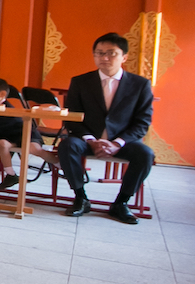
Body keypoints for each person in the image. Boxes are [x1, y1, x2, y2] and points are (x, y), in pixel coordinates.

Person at [59, 33, 155, 224]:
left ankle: (121, 203)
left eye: (111, 53)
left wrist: (117, 143)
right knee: (67, 145)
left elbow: (143, 121)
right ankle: (81, 197)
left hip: (123, 141)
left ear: (124, 57)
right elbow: (71, 118)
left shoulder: (140, 84)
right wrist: (91, 140)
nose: (104, 58)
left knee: (146, 154)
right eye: (99, 53)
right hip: (87, 139)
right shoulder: (80, 81)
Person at [0, 78, 53, 191]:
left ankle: (57, 162)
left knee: (34, 148)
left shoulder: (8, 109)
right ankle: (10, 174)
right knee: (2, 144)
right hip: (8, 136)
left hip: (24, 133)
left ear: (2, 94)